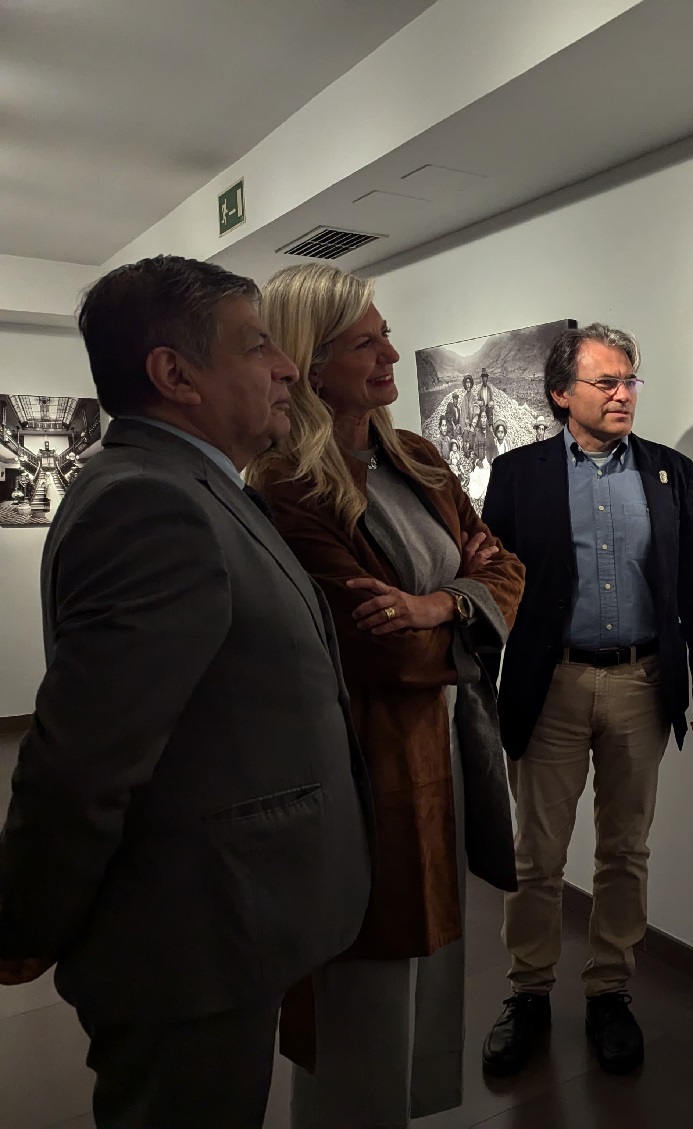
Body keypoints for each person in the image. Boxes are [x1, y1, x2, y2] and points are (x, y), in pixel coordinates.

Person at [0, 255, 372, 1128]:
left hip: (223, 924)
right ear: (175, 374)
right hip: (191, 944)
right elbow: (85, 757)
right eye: (258, 346)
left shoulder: (195, 486)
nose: (286, 369)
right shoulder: (150, 504)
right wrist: (23, 923)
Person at [248, 263, 526, 1127]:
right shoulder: (288, 484)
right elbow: (379, 647)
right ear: (312, 362)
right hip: (363, 760)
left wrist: (437, 605)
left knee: (433, 952)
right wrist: (459, 606)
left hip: (445, 742)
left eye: (387, 335)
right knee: (363, 962)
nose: (391, 355)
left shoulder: (419, 458)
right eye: (366, 343)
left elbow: (508, 571)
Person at [480, 323, 693, 1077]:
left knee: (625, 850)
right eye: (606, 382)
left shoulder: (670, 472)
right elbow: (489, 585)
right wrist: (478, 685)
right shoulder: (517, 475)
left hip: (641, 683)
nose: (623, 395)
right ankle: (527, 992)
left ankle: (610, 990)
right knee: (537, 856)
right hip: (550, 683)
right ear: (562, 393)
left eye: (630, 382)